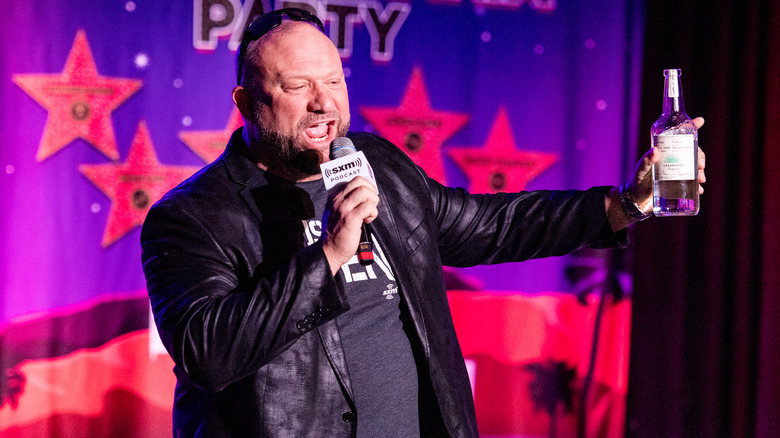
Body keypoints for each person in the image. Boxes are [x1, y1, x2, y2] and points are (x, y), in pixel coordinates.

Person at [140, 8, 706, 438]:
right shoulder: (191, 217)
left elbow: (489, 225)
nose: (323, 104)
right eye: (296, 87)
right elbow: (207, 352)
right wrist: (328, 256)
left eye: (333, 82)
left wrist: (626, 202)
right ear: (246, 102)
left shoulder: (376, 163)